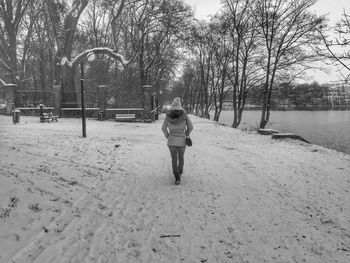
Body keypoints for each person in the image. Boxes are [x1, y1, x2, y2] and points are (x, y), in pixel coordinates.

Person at [161, 97, 193, 185]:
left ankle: (177, 177)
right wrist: (186, 134)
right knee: (181, 158)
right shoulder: (184, 115)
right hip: (182, 140)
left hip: (171, 141)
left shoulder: (168, 116)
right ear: (180, 107)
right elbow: (191, 127)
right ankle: (180, 172)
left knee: (174, 159)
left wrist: (168, 136)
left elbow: (163, 128)